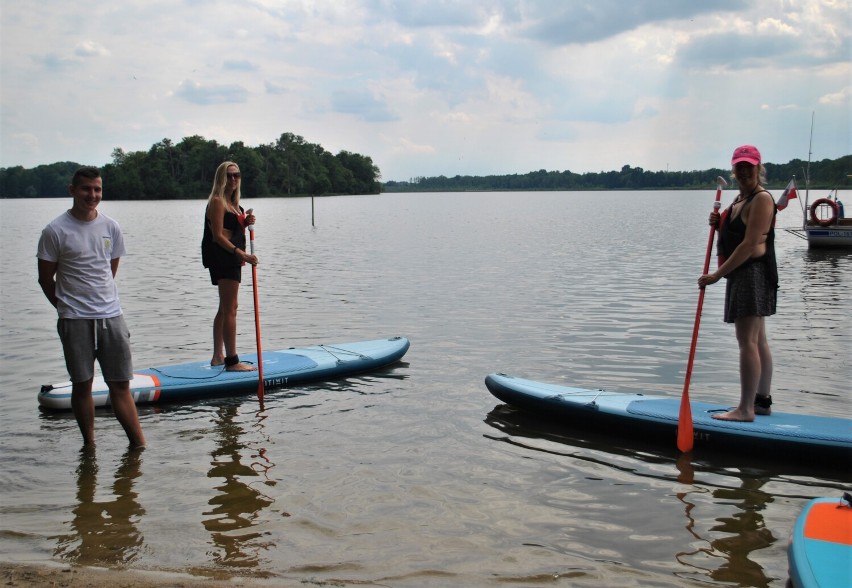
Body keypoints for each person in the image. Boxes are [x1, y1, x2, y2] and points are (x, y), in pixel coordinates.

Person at [37, 167, 146, 448]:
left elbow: (109, 270)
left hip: (112, 316)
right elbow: (45, 278)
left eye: (97, 189)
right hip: (75, 319)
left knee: (121, 385)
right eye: (86, 189)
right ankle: (90, 446)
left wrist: (100, 300)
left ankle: (138, 446)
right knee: (82, 384)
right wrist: (65, 308)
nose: (92, 195)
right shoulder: (55, 230)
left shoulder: (111, 227)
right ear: (72, 190)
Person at [698, 145, 778, 422]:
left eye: (749, 166)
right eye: (739, 167)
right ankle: (762, 401)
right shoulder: (740, 199)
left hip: (752, 274)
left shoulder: (762, 199)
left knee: (747, 342)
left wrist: (716, 275)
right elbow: (736, 229)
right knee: (758, 340)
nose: (744, 171)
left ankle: (745, 409)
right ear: (734, 170)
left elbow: (750, 243)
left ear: (759, 168)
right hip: (745, 273)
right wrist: (719, 222)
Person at [201, 161, 258, 371]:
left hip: (231, 257)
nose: (233, 179)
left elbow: (231, 227)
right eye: (229, 175)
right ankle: (232, 361)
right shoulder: (217, 201)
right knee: (231, 308)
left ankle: (218, 355)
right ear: (221, 178)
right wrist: (241, 253)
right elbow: (217, 236)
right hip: (224, 258)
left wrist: (246, 220)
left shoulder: (235, 205)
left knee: (224, 308)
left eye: (237, 175)